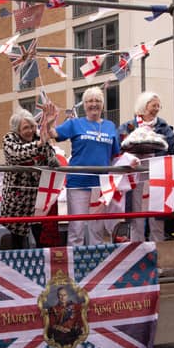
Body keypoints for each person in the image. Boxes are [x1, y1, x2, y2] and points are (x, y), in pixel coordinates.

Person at [48, 86, 120, 246]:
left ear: (103, 104)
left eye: (97, 101)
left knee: (97, 229)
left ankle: (96, 265)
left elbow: (116, 155)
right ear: (84, 105)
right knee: (77, 227)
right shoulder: (74, 123)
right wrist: (50, 121)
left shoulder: (110, 126)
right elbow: (52, 133)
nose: (94, 104)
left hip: (100, 184)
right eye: (89, 101)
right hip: (78, 183)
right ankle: (74, 265)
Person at [0, 107, 60, 249]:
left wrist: (52, 159)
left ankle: (40, 269)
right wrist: (40, 144)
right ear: (17, 130)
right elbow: (18, 153)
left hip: (38, 200)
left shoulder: (38, 136)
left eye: (32, 126)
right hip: (17, 201)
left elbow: (50, 153)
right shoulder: (9, 139)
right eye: (26, 128)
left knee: (41, 241)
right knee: (18, 244)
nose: (31, 131)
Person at [118, 91, 174, 242]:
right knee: (137, 213)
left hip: (157, 175)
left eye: (158, 106)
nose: (156, 108)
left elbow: (171, 149)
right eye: (153, 105)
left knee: (157, 216)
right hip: (136, 175)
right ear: (144, 105)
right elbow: (120, 147)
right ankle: (136, 249)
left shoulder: (163, 127)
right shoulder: (129, 126)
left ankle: (158, 250)